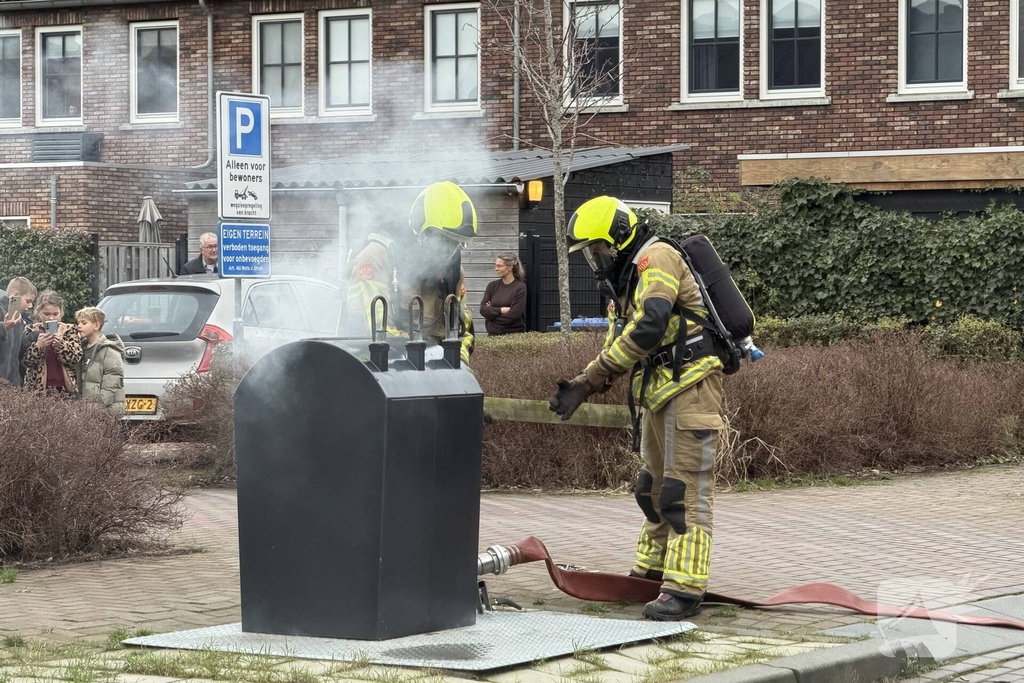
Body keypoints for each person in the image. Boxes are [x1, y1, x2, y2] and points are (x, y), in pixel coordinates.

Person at [547, 196, 725, 621]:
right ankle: (651, 571)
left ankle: (685, 587)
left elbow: (650, 326)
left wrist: (592, 379)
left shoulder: (656, 257)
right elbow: (618, 342)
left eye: (597, 249)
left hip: (693, 387)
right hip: (661, 391)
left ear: (619, 238)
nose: (595, 258)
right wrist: (583, 383)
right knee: (651, 488)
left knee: (684, 491)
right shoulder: (625, 282)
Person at [346, 182, 477, 355]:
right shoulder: (376, 258)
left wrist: (456, 365)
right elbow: (377, 331)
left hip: (428, 372)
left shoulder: (453, 273)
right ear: (420, 231)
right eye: (444, 240)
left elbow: (463, 333)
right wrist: (428, 358)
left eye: (457, 243)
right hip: (377, 372)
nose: (448, 252)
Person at [22, 291, 82, 395]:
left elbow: (75, 358)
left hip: (65, 388)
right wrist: (38, 346)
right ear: (39, 312)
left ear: (61, 313)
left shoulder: (69, 330)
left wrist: (61, 345)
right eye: (47, 314)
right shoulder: (31, 330)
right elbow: (25, 361)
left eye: (55, 314)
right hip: (37, 390)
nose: (51, 318)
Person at [75, 307, 125, 411]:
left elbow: (111, 385)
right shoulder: (79, 349)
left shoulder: (109, 350)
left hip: (104, 411)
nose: (79, 326)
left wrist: (97, 408)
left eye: (84, 323)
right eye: (78, 323)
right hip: (85, 409)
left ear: (96, 325)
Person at [480, 252, 527, 335]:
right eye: (496, 265)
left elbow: (514, 314)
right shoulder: (492, 286)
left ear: (510, 267)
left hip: (513, 338)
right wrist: (502, 310)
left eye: (500, 266)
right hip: (492, 337)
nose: (496, 268)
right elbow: (483, 310)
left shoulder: (520, 288)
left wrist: (491, 316)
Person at [0, 276, 36, 387]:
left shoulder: (19, 318)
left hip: (12, 386)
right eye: (28, 301)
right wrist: (3, 327)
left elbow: (17, 352)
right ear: (15, 295)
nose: (30, 306)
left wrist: (34, 335)